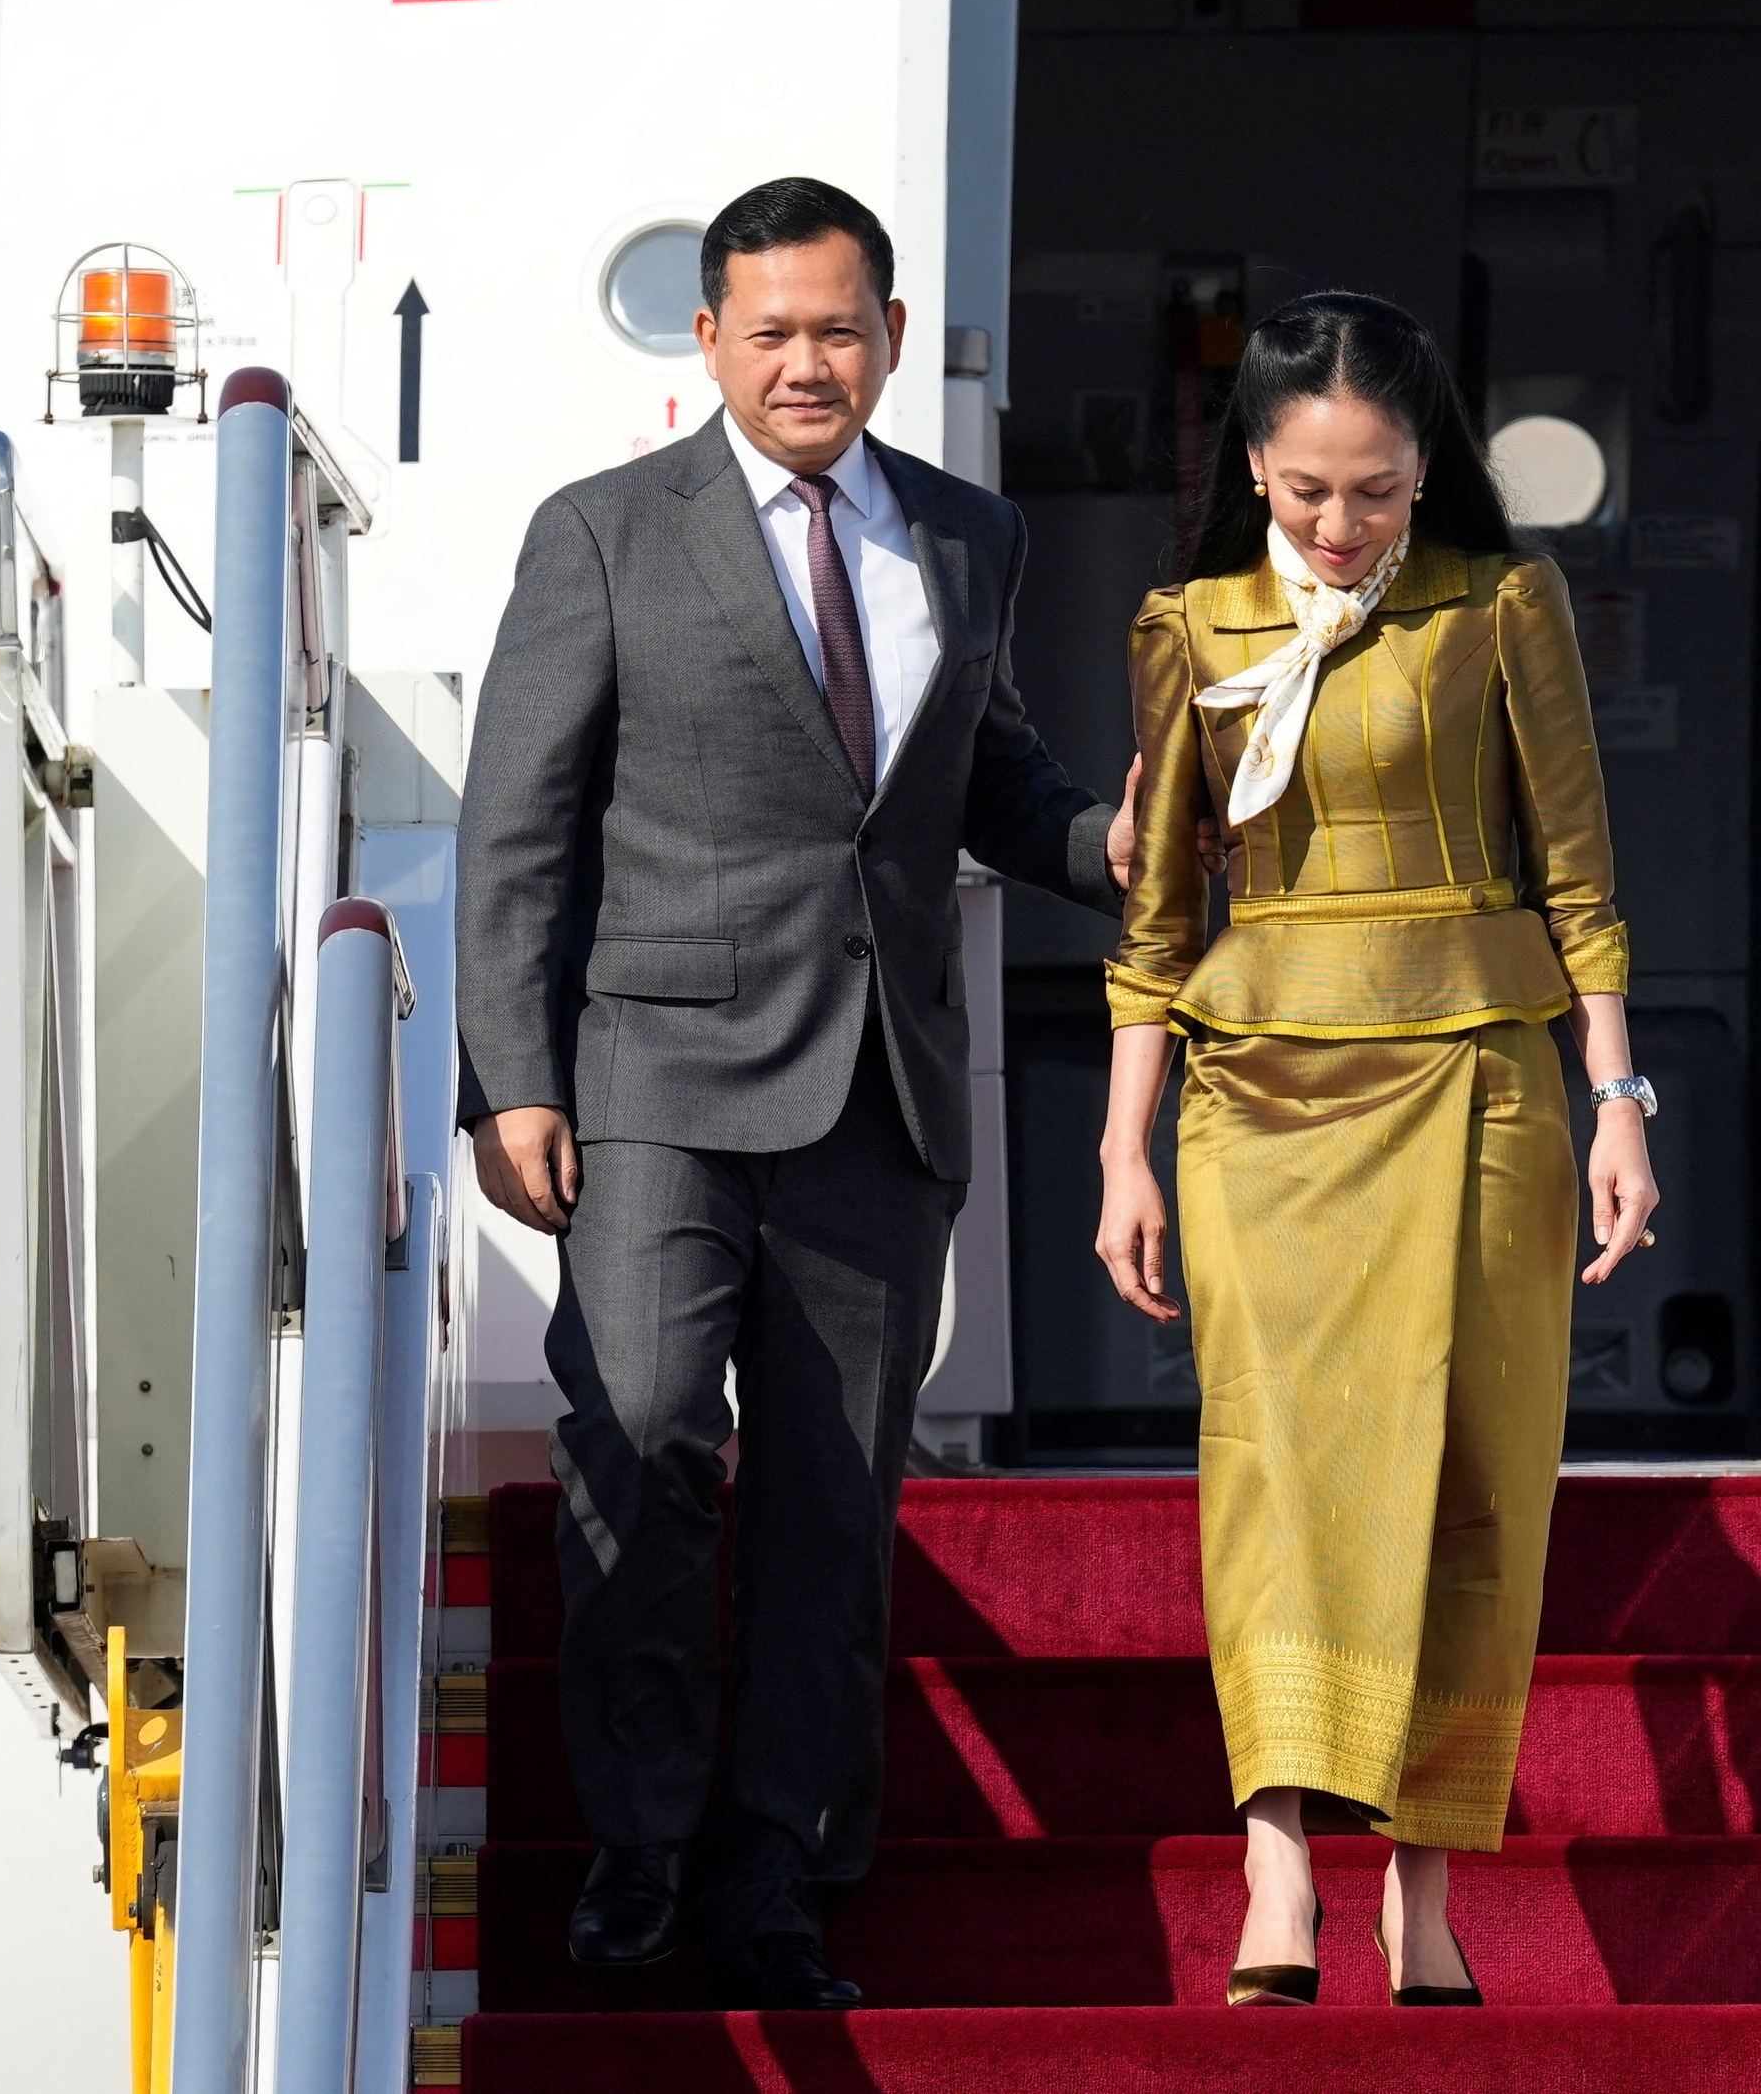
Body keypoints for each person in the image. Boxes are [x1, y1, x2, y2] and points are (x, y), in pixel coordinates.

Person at [454, 176, 1135, 2011]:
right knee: (646, 1428)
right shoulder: (603, 532)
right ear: (710, 342)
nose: (806, 363)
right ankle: (640, 1841)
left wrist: (1113, 844)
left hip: (879, 1090)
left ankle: (780, 1876)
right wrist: (511, 1075)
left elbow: (987, 770)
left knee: (833, 1504)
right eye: (771, 332)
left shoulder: (971, 534)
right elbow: (514, 827)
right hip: (654, 1079)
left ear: (893, 336)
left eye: (839, 328)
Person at [1095, 291, 1661, 2007]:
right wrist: (1123, 1150)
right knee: (1274, 1461)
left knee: (1476, 1470)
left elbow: (1580, 877)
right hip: (1256, 1098)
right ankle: (1276, 1859)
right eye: (1308, 491)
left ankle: (1425, 1883)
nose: (1341, 523)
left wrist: (1619, 1098)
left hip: (1480, 1077)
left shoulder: (1501, 604)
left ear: (1429, 471)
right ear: (1254, 469)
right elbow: (1158, 917)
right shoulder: (1190, 626)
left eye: (1379, 490)